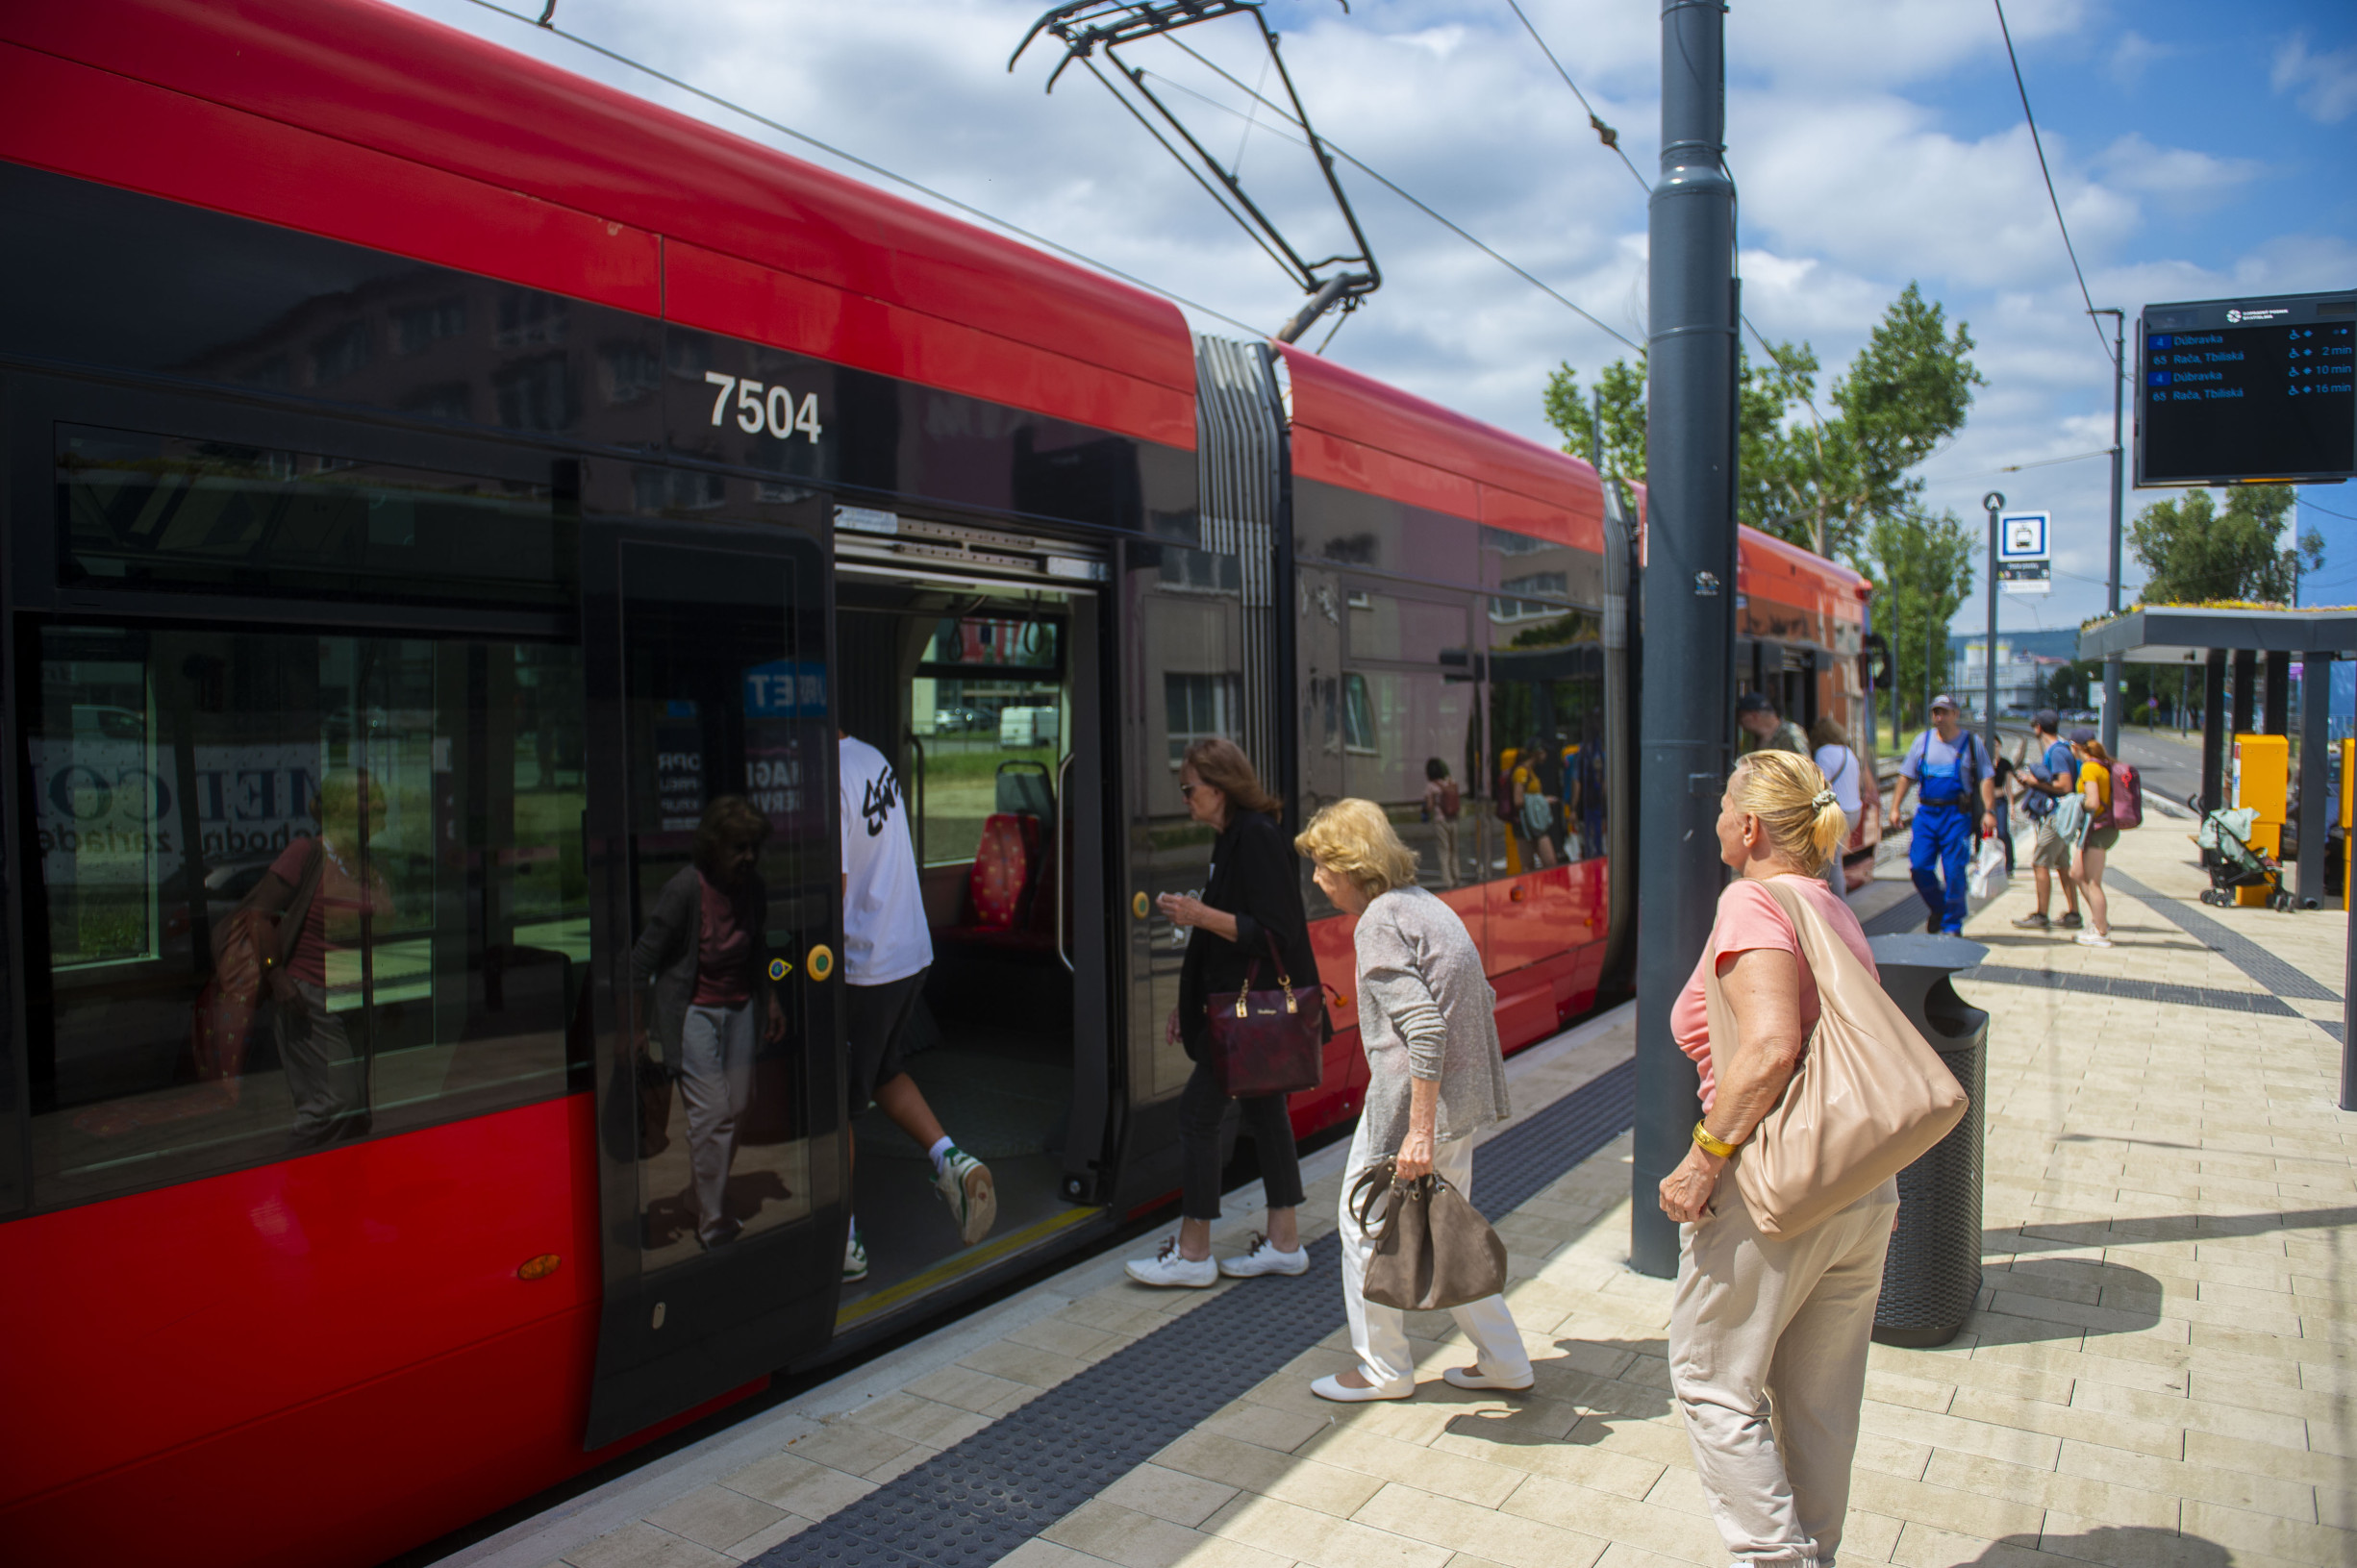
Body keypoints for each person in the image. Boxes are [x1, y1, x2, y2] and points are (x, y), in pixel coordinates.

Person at [1661, 748, 1896, 1568]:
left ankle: (1776, 1561)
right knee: (1818, 1405)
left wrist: (1702, 1159)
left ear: (1750, 825)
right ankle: (1815, 1554)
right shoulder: (1828, 905)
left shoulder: (1750, 902)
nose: (1718, 818)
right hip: (1860, 1185)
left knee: (1709, 1380)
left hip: (1775, 1187)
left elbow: (1766, 1048)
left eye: (1726, 803)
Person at [1293, 798, 1524, 1403]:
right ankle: (1505, 1360)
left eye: (1322, 865)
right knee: (1449, 1229)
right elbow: (1480, 994)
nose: (1317, 879)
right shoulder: (1426, 905)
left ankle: (1382, 1370)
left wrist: (1418, 1130)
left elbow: (1425, 1028)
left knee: (1359, 1225)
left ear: (1351, 864)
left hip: (1413, 1109)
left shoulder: (1378, 921)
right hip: (1459, 1103)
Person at [1130, 737, 1324, 1287]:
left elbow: (1276, 932)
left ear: (1219, 787)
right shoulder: (1232, 837)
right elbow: (1224, 938)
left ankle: (1193, 1255)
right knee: (1266, 1117)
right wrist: (1186, 1005)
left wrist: (1198, 913)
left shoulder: (1257, 838)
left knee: (1197, 1117)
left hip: (1248, 1019)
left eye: (1189, 788)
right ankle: (1285, 1243)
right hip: (1238, 1016)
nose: (1185, 798)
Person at [840, 730, 995, 1282]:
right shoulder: (870, 756)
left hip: (865, 963)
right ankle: (953, 1159)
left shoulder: (826, 778)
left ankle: (844, 1243)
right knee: (883, 1069)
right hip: (909, 951)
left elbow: (830, 887)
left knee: (835, 1102)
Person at [630, 796, 789, 1250]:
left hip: (740, 1007)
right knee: (712, 1115)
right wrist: (635, 1025)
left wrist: (770, 999)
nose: (749, 857)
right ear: (713, 846)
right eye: (739, 847)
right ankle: (714, 1222)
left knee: (739, 1106)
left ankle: (697, 1196)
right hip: (692, 1012)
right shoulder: (686, 889)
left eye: (754, 848)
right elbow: (642, 960)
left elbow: (758, 948)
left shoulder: (753, 889)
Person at [228, 768, 394, 1152]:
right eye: (368, 797)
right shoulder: (306, 853)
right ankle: (288, 1187)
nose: (380, 804)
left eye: (380, 795)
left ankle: (338, 1197)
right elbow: (258, 914)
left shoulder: (371, 862)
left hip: (359, 998)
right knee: (334, 1105)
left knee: (356, 1113)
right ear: (337, 808)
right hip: (311, 999)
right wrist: (277, 978)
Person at [1887, 696, 1995, 935]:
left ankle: (1952, 924)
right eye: (1936, 712)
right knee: (1919, 867)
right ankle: (1940, 907)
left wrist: (1989, 810)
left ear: (1955, 714)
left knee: (1954, 870)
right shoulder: (1922, 742)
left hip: (1956, 815)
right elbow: (1906, 776)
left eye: (1944, 712)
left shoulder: (1971, 743)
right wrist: (1895, 807)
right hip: (1926, 814)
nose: (1939, 717)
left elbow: (1987, 777)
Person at [2011, 709, 2083, 931]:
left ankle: (2041, 914)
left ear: (2038, 728)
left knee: (2040, 862)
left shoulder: (2057, 752)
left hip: (2058, 815)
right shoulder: (2060, 749)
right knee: (2062, 865)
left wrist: (2033, 782)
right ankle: (2073, 914)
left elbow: (2064, 785)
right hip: (2060, 815)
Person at [1807, 716, 1864, 905]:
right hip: (1854, 811)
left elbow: (1819, 784)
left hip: (1837, 813)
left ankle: (1838, 906)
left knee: (1831, 863)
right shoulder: (1848, 752)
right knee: (1834, 858)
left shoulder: (1824, 752)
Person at [2071, 730, 2118, 949]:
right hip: (2096, 828)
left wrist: (2074, 804)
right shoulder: (2100, 764)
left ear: (2076, 746)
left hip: (2099, 829)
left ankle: (2101, 932)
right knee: (2077, 874)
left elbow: (2093, 801)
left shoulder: (2089, 768)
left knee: (2093, 882)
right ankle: (2099, 920)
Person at [1511, 739, 1558, 869]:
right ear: (1537, 753)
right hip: (1526, 825)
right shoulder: (1522, 772)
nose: (1546, 755)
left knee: (1550, 862)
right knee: (1529, 866)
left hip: (1536, 824)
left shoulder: (1531, 771)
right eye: (1544, 751)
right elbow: (1518, 800)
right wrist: (1542, 801)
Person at [1421, 756, 1462, 888]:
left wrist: (1424, 810)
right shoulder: (1448, 782)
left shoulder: (1431, 786)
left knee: (1444, 851)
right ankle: (1457, 876)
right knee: (1454, 849)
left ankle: (1448, 881)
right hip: (1453, 819)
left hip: (1440, 820)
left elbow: (1429, 806)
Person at [1737, 691, 1809, 757]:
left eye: (1741, 716)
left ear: (1754, 716)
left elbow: (1805, 766)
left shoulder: (1791, 733)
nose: (1740, 722)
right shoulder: (1753, 739)